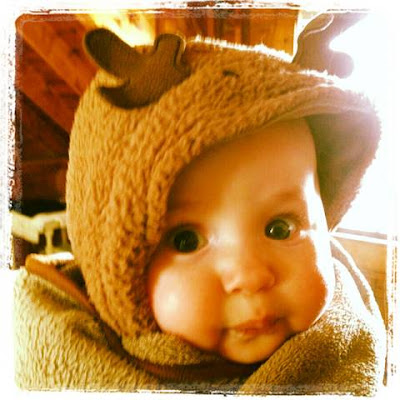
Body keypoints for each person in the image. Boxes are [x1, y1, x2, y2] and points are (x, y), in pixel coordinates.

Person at [13, 14, 386, 395]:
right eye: (186, 240)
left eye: (281, 228)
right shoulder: (56, 345)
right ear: (115, 265)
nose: (250, 275)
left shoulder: (342, 347)